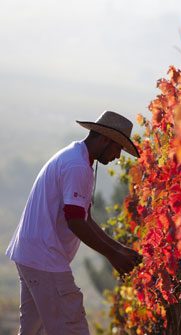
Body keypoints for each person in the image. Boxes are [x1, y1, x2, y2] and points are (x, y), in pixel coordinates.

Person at [6, 110, 142, 335]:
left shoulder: (74, 155)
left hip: (29, 254)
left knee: (32, 331)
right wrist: (112, 254)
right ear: (106, 140)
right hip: (45, 259)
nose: (118, 156)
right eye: (118, 147)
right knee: (72, 328)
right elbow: (76, 222)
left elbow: (83, 217)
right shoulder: (78, 167)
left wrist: (118, 248)